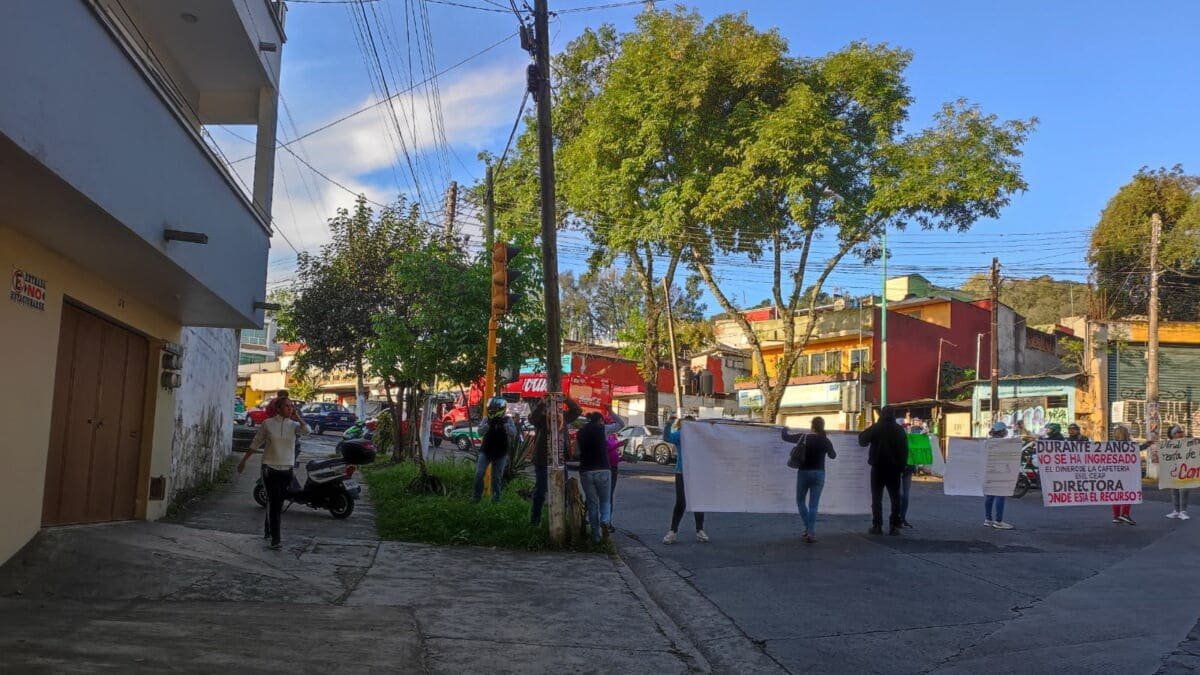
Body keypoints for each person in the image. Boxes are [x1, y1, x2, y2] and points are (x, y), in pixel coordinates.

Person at [239, 396, 309, 549]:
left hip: (287, 469)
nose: (290, 409)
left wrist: (297, 417)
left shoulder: (294, 426)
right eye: (287, 406)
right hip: (269, 469)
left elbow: (307, 431)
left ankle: (268, 528)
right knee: (274, 502)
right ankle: (276, 539)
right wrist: (243, 460)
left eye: (291, 406)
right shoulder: (268, 424)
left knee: (277, 503)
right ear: (278, 408)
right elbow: (256, 442)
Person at [527, 396, 583, 525]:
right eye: (552, 405)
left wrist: (566, 399)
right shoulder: (541, 419)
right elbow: (532, 418)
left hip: (560, 459)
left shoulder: (564, 416)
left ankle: (561, 519)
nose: (555, 408)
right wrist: (541, 404)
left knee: (563, 489)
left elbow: (577, 411)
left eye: (558, 405)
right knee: (540, 490)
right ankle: (535, 521)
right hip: (543, 460)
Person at [781, 416, 837, 543]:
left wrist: (784, 428)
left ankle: (809, 529)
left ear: (812, 426)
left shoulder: (804, 437)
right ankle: (810, 532)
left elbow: (785, 437)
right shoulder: (825, 441)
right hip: (819, 474)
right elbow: (833, 456)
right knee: (813, 505)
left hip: (804, 473)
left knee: (800, 501)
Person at [858, 406, 909, 536]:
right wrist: (902, 467)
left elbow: (862, 440)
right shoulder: (899, 430)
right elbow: (904, 450)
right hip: (894, 469)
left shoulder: (876, 427)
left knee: (876, 498)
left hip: (878, 467)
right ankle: (894, 526)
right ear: (893, 415)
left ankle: (877, 526)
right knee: (895, 498)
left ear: (882, 414)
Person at [662, 415, 708, 544]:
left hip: (696, 472)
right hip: (682, 472)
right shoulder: (680, 435)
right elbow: (667, 438)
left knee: (698, 501)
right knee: (681, 502)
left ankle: (700, 530)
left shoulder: (699, 436)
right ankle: (673, 531)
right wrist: (669, 423)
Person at [577, 412, 617, 540]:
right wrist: (610, 411)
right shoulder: (603, 429)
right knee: (605, 501)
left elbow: (577, 451)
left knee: (592, 503)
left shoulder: (581, 432)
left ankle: (595, 536)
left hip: (586, 470)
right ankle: (605, 520)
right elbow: (621, 424)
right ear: (600, 420)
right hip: (603, 469)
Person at [473, 398, 518, 503]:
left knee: (497, 477)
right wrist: (487, 425)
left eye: (495, 408)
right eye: (491, 408)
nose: (492, 410)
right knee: (479, 474)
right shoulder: (486, 419)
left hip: (501, 452)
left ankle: (496, 499)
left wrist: (505, 425)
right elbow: (479, 432)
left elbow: (513, 433)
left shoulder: (507, 419)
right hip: (486, 451)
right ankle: (476, 497)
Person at [984, 422, 1014, 530]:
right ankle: (998, 521)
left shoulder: (988, 442)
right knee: (1000, 496)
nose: (1006, 432)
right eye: (1005, 430)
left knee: (989, 496)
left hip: (989, 472)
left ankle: (988, 519)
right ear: (1001, 431)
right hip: (1001, 473)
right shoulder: (1003, 443)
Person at [1109, 424, 1137, 525]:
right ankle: (1125, 514)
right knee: (1128, 494)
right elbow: (1139, 448)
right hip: (1126, 473)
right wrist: (1148, 444)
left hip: (1114, 474)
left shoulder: (1110, 445)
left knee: (1116, 495)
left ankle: (1116, 516)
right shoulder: (1129, 445)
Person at [1165, 425, 1191, 520]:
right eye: (1178, 432)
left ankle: (1183, 511)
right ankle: (1176, 511)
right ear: (1173, 435)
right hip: (1174, 470)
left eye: (1181, 431)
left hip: (1185, 470)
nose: (1181, 433)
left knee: (1184, 490)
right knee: (1174, 490)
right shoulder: (1168, 444)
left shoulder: (1188, 442)